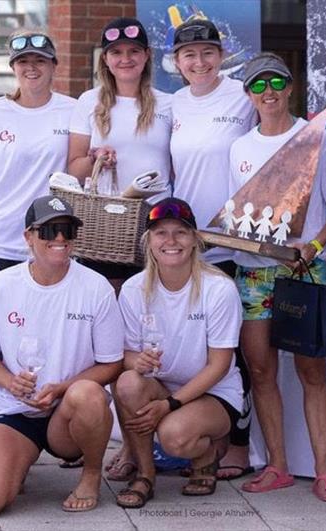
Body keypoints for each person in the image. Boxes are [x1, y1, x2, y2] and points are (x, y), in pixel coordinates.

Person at [227, 53, 326, 501]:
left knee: (312, 372)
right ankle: (276, 465)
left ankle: (323, 471)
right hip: (253, 276)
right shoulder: (239, 148)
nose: (269, 92)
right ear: (248, 95)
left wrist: (314, 246)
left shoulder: (319, 139)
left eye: (276, 82)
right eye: (258, 86)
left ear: (290, 86)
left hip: (304, 270)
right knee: (260, 371)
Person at [0, 195, 124, 515]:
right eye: (49, 230)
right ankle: (19, 459)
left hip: (66, 412)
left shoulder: (96, 288)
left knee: (89, 394)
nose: (60, 239)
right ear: (28, 236)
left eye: (67, 230)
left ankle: (91, 473)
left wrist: (62, 388)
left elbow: (112, 363)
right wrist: (11, 382)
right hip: (15, 408)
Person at [169, 17, 257, 479]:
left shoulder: (244, 95)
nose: (198, 62)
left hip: (230, 245)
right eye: (189, 55)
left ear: (221, 55)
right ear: (177, 63)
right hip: (183, 244)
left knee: (233, 349)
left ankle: (238, 444)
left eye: (207, 53)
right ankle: (202, 436)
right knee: (195, 347)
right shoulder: (172, 104)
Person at [113, 198, 243, 508]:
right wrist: (138, 361)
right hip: (161, 385)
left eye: (180, 232)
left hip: (213, 391)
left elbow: (220, 365)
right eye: (160, 233)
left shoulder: (218, 288)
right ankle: (145, 475)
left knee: (175, 437)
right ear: (148, 241)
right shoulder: (133, 289)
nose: (170, 241)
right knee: (128, 383)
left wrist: (170, 405)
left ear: (195, 239)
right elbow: (125, 356)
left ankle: (206, 453)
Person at [67, 17, 172, 292]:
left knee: (152, 310)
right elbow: (74, 170)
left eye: (134, 51)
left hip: (156, 223)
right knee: (107, 310)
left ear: (147, 55)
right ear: (105, 59)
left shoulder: (169, 104)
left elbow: (176, 168)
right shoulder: (89, 101)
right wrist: (94, 156)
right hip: (107, 226)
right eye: (116, 52)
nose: (125, 59)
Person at [0, 30, 76, 270]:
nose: (31, 68)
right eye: (23, 61)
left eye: (40, 61)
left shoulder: (73, 111)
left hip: (53, 241)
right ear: (13, 67)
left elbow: (82, 168)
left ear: (53, 65)